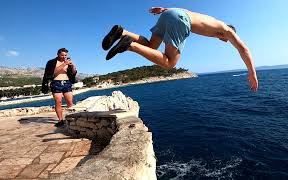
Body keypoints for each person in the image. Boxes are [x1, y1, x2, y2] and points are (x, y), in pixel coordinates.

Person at [102, 7, 258, 91]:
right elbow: (243, 49)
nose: (225, 41)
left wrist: (164, 10)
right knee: (169, 63)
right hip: (181, 20)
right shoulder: (226, 30)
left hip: (171, 13)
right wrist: (252, 72)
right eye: (227, 40)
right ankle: (129, 45)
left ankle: (122, 32)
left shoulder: (212, 20)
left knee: (151, 47)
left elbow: (185, 11)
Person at [41, 48, 77, 127]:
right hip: (56, 83)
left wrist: (73, 65)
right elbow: (52, 73)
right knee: (58, 102)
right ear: (58, 54)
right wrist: (64, 64)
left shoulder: (67, 62)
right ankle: (60, 120)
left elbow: (73, 73)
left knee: (70, 102)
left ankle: (73, 119)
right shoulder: (51, 62)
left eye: (65, 55)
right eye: (62, 55)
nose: (64, 56)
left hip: (67, 82)